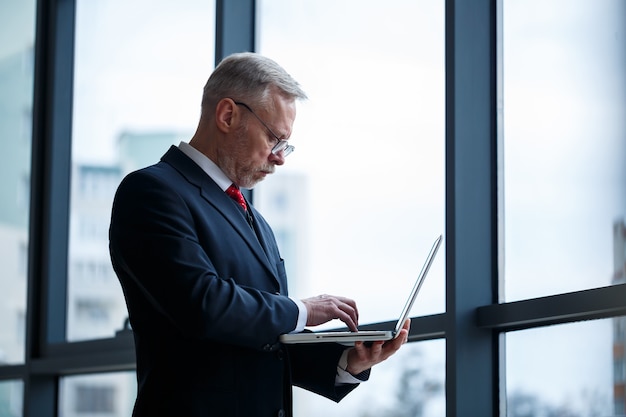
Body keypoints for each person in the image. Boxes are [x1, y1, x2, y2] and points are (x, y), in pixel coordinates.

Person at [109, 52, 410, 417]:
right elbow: (202, 305)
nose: (280, 157)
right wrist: (303, 309)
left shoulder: (257, 220)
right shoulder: (150, 192)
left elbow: (265, 341)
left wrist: (348, 361)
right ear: (228, 115)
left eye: (286, 145)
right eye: (273, 138)